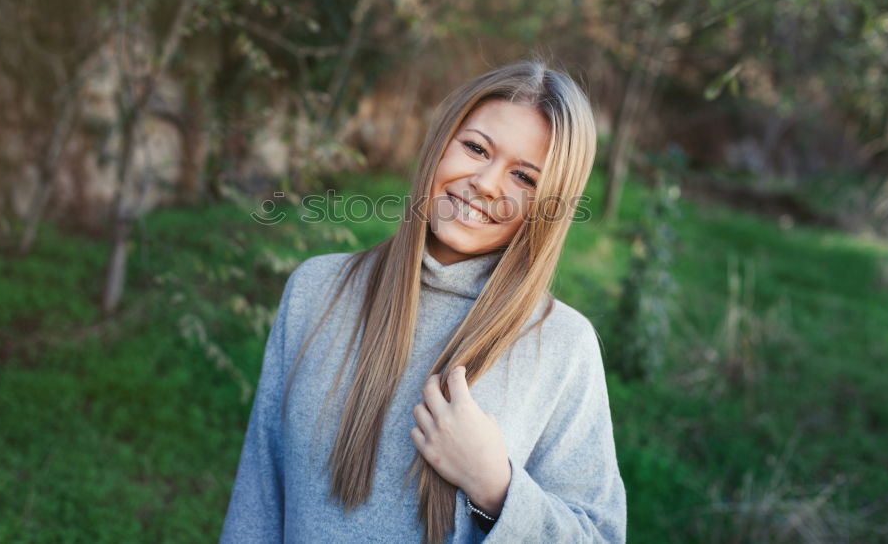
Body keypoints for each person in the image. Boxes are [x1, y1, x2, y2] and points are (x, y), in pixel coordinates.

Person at [219, 60, 627, 543]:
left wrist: (497, 489)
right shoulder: (316, 290)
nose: (487, 183)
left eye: (525, 178)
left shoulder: (562, 345)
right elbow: (259, 502)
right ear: (440, 143)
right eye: (476, 148)